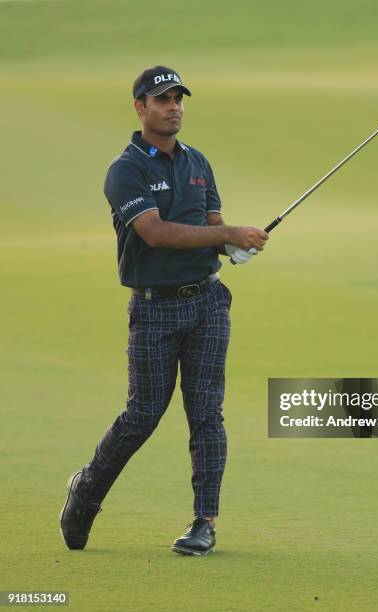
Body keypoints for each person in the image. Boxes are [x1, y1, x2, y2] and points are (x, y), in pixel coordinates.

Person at [60, 65, 268, 556]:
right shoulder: (126, 169)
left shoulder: (197, 161)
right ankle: (86, 490)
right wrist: (226, 235)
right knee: (143, 415)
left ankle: (204, 522)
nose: (173, 106)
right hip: (154, 310)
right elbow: (154, 232)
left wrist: (234, 246)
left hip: (208, 303)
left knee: (206, 413)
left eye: (178, 98)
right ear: (140, 108)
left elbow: (210, 217)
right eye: (162, 99)